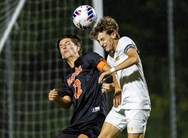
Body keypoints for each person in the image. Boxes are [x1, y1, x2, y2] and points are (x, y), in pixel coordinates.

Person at [48, 34, 121, 138]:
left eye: (67, 44)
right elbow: (67, 103)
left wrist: (117, 88)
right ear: (61, 55)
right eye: (61, 46)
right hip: (77, 123)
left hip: (94, 118)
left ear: (78, 47)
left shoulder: (89, 58)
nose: (64, 47)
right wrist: (57, 98)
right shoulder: (67, 77)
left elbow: (111, 70)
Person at [90, 16, 151, 138]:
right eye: (99, 41)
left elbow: (134, 58)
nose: (101, 44)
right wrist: (113, 86)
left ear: (113, 34)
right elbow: (124, 78)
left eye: (103, 39)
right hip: (122, 104)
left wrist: (111, 70)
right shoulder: (110, 57)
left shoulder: (124, 41)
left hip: (136, 102)